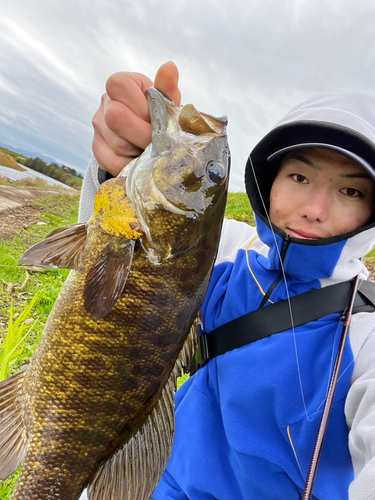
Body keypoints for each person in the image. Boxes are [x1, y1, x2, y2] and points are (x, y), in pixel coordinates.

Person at [78, 62, 375, 500]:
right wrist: (120, 173)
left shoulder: (365, 334)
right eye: (299, 176)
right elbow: (106, 268)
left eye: (350, 191)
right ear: (267, 182)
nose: (314, 208)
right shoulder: (223, 249)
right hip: (149, 481)